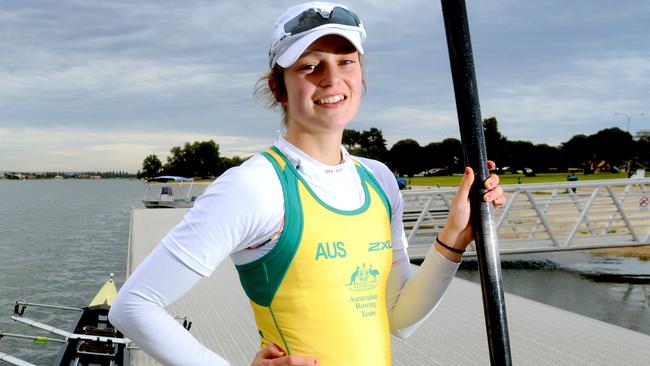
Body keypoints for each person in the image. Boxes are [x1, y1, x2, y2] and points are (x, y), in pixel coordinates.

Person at [108, 2, 506, 365]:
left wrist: (454, 238)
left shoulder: (379, 180)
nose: (332, 79)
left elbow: (400, 319)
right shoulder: (255, 186)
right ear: (279, 87)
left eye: (345, 61)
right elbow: (133, 307)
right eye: (309, 66)